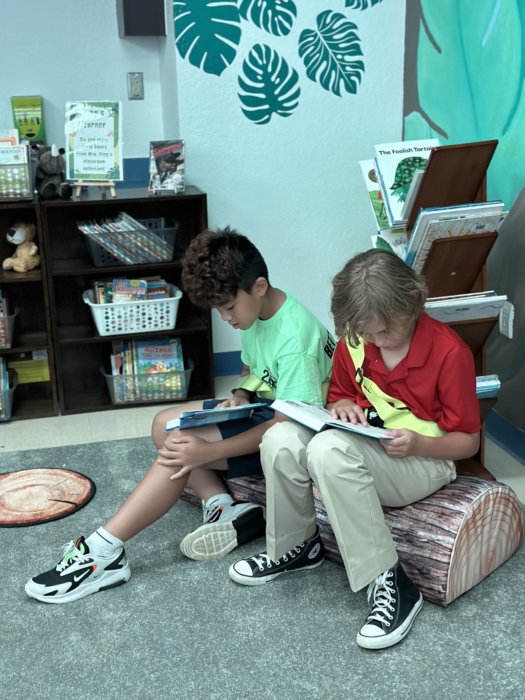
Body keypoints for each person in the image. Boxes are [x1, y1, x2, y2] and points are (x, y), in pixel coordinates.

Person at [25, 227, 335, 604]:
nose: (225, 318)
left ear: (258, 286)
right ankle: (223, 506)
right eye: (218, 309)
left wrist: (206, 453)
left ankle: (103, 552)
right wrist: (240, 393)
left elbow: (292, 424)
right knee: (164, 424)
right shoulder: (256, 313)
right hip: (265, 409)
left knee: (180, 448)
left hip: (294, 435)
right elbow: (252, 367)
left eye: (228, 307)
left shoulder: (295, 338)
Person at [229, 248, 481, 650]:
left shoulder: (450, 353)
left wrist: (419, 443)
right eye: (368, 333)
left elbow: (468, 441)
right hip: (367, 446)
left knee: (328, 450)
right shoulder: (356, 340)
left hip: (426, 459)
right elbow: (340, 395)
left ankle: (392, 581)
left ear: (413, 301)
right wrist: (341, 403)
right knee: (280, 437)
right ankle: (296, 547)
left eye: (385, 332)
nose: (377, 341)